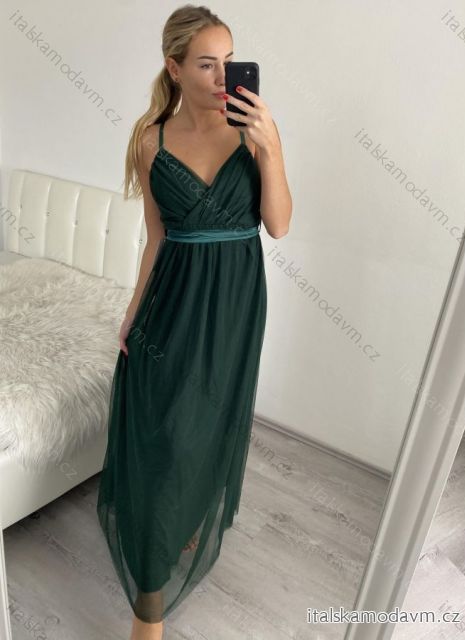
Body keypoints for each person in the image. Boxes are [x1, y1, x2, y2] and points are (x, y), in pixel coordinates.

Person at [96, 4, 292, 639]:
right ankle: (148, 610)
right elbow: (155, 237)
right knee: (164, 435)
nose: (222, 76)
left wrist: (271, 148)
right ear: (174, 68)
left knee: (208, 422)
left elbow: (279, 224)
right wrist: (133, 312)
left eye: (229, 61)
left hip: (235, 304)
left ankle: (184, 521)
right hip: (172, 300)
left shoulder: (252, 131)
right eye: (206, 64)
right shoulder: (149, 139)